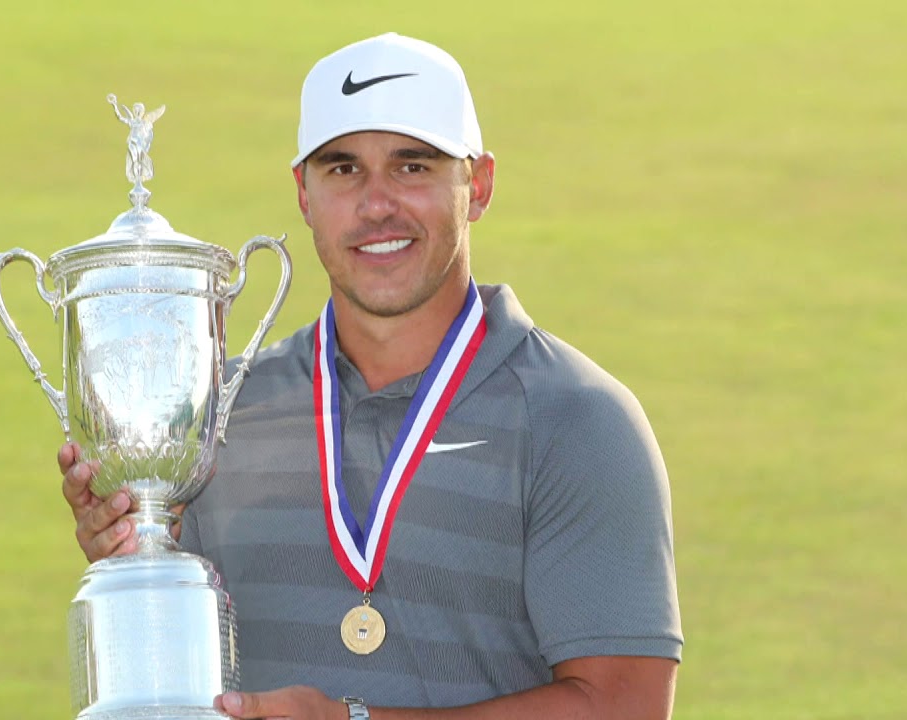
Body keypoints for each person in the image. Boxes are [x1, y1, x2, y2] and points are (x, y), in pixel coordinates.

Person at [61, 32, 682, 720]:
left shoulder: (578, 419)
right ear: (303, 192)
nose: (377, 203)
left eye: (413, 167)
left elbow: (625, 706)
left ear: (477, 186)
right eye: (343, 169)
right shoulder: (219, 417)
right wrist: (134, 550)